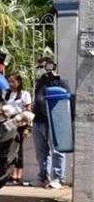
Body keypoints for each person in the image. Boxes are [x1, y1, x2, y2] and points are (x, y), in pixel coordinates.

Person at [31, 57, 69, 189]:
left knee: (57, 151)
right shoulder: (40, 83)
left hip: (54, 121)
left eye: (44, 67)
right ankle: (43, 177)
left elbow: (64, 99)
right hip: (38, 121)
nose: (41, 70)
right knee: (41, 152)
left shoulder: (61, 82)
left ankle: (58, 178)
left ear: (51, 66)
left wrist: (54, 78)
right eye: (39, 67)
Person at [5, 73, 32, 185]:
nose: (11, 84)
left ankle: (18, 175)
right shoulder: (8, 94)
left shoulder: (24, 94)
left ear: (19, 82)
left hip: (20, 123)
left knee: (19, 149)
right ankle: (10, 174)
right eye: (9, 81)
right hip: (9, 123)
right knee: (9, 148)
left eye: (13, 81)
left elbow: (28, 111)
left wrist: (27, 127)